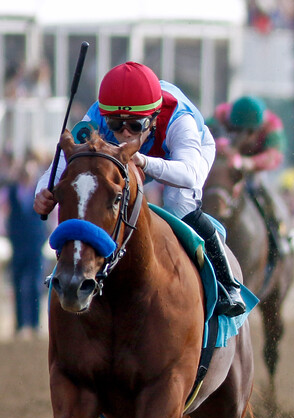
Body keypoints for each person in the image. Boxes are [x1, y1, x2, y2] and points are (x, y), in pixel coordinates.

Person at [33, 61, 245, 317]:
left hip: (183, 158)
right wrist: (43, 191)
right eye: (115, 124)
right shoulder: (96, 115)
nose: (124, 133)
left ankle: (226, 284)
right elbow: (63, 163)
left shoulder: (181, 120)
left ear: (154, 118)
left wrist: (143, 161)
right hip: (131, 158)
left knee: (178, 201)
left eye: (134, 126)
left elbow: (190, 174)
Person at [206, 95, 290, 259]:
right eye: (235, 130)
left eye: (247, 132)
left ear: (258, 129)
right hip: (225, 165)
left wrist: (248, 163)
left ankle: (278, 235)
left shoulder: (272, 125)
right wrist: (224, 146)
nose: (241, 136)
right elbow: (204, 132)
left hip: (253, 169)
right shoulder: (221, 115)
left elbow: (275, 155)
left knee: (266, 196)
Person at [6, 151, 49, 339]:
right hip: (18, 244)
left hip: (35, 244)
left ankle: (33, 323)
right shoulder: (11, 192)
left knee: (35, 284)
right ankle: (19, 324)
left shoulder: (39, 192)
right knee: (17, 283)